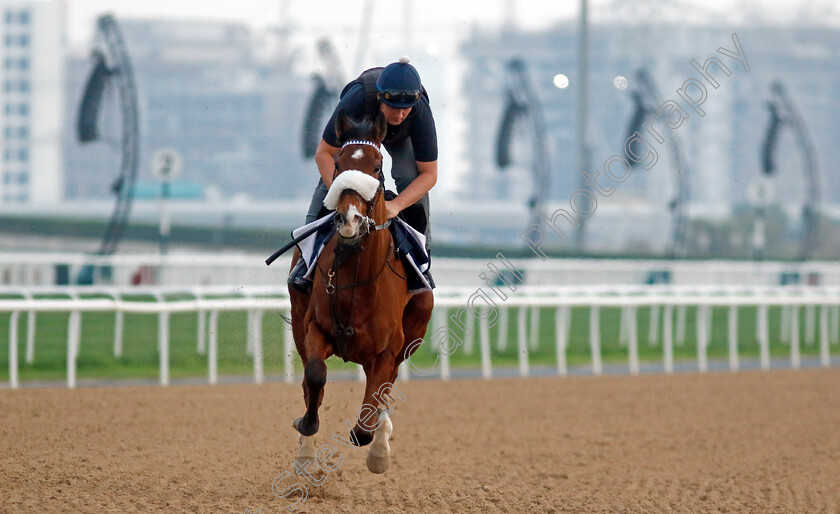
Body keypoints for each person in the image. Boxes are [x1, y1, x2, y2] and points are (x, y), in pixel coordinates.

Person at [289, 57, 438, 291]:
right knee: (337, 176)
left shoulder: (420, 113)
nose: (399, 116)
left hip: (401, 141)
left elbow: (429, 174)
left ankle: (422, 264)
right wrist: (339, 189)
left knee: (408, 173)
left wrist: (397, 205)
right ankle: (304, 259)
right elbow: (323, 154)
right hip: (358, 137)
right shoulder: (357, 99)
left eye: (405, 110)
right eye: (393, 109)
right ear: (380, 98)